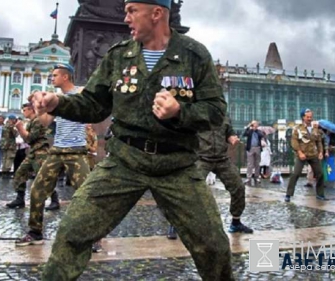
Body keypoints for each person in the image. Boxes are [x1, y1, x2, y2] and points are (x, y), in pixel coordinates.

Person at [32, 1, 233, 280]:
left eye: (131, 10)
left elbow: (215, 111)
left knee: (214, 246)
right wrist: (58, 103)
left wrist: (179, 112)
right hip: (124, 162)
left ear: (156, 13)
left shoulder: (194, 55)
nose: (125, 18)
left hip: (176, 166)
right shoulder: (119, 56)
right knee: (72, 232)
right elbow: (93, 104)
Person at [15, 64, 90, 247]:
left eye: (55, 75)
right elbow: (47, 122)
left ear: (66, 77)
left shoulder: (80, 92)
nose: (52, 78)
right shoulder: (55, 99)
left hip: (76, 150)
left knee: (87, 194)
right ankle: (35, 232)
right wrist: (39, 108)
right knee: (37, 190)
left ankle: (91, 236)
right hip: (56, 150)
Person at [167, 116, 253, 239]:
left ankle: (236, 222)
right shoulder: (196, 114)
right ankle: (175, 224)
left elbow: (229, 132)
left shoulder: (224, 116)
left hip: (222, 159)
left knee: (238, 187)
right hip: (202, 159)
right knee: (188, 189)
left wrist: (232, 138)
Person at [6, 103, 58, 209]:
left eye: (25, 110)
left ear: (31, 110)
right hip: (33, 152)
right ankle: (20, 199)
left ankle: (54, 200)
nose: (23, 112)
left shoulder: (38, 121)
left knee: (44, 177)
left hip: (41, 153)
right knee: (20, 173)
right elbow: (26, 139)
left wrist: (20, 128)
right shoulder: (31, 122)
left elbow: (30, 138)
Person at [285, 109, 325, 202]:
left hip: (313, 154)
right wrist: (299, 152)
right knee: (295, 174)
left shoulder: (316, 128)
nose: (310, 119)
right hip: (302, 154)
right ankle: (288, 194)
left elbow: (319, 141)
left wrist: (320, 152)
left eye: (311, 117)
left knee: (320, 174)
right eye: (308, 117)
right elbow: (294, 141)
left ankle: (320, 194)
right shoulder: (298, 128)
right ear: (303, 117)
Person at [243, 120, 265, 186]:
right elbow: (244, 134)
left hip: (257, 148)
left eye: (256, 125)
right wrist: (249, 127)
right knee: (250, 164)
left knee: (257, 164)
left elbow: (261, 135)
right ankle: (248, 177)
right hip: (250, 148)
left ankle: (257, 177)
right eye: (253, 125)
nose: (255, 126)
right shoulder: (249, 131)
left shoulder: (259, 131)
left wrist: (255, 130)